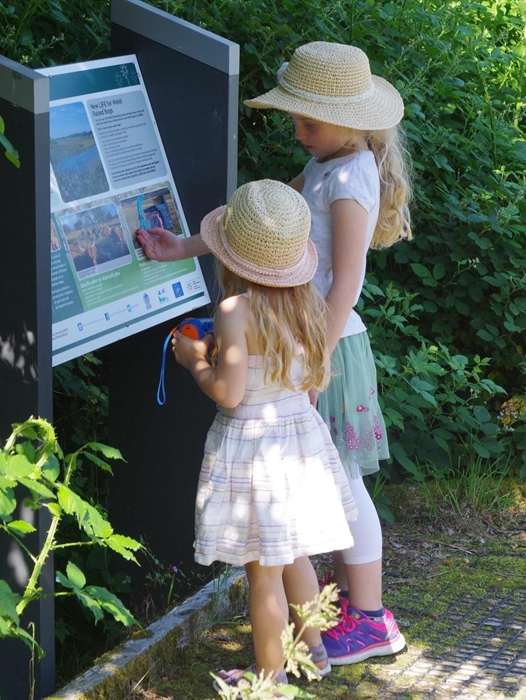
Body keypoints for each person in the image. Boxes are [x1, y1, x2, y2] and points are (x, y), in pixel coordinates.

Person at [137, 41, 413, 666]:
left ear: (349, 117)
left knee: (342, 486)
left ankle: (369, 618)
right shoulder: (328, 161)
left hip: (325, 348)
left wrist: (316, 365)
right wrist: (182, 245)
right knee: (324, 493)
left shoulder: (349, 177)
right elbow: (249, 221)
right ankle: (322, 636)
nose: (297, 131)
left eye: (307, 120)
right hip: (302, 345)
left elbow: (346, 279)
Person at [172, 179, 357, 692]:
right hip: (299, 444)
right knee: (292, 553)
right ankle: (314, 652)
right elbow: (305, 377)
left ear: (230, 256)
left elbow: (229, 392)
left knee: (262, 573)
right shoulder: (309, 306)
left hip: (255, 451)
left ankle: (269, 677)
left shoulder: (235, 311)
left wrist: (194, 361)